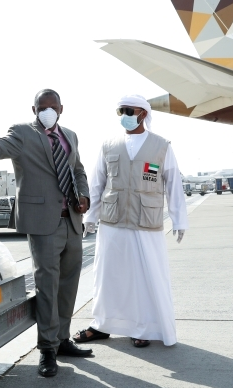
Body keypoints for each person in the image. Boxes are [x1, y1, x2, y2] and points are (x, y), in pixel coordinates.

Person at [0, 89, 91, 377]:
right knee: (47, 286)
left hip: (72, 220)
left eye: (53, 107)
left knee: (69, 284)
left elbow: (78, 171)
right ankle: (47, 349)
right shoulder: (23, 133)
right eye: (42, 107)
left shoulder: (70, 136)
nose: (47, 111)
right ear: (34, 110)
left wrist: (83, 196)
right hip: (43, 225)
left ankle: (62, 339)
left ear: (62, 108)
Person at [73, 95, 187, 348]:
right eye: (120, 111)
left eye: (127, 111)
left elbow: (174, 185)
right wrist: (90, 217)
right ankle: (102, 324)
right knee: (108, 276)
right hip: (112, 221)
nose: (123, 116)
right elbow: (97, 183)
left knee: (144, 277)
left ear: (143, 113)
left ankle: (142, 327)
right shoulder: (109, 145)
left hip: (146, 222)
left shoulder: (161, 146)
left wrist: (179, 220)